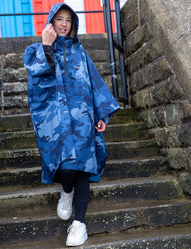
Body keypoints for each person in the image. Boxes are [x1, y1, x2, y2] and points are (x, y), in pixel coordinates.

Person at [23, 3, 120, 247]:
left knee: (84, 168)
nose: (64, 24)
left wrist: (100, 114)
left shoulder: (80, 51)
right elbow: (38, 80)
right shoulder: (34, 51)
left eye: (68, 19)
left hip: (83, 119)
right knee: (67, 168)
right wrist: (46, 46)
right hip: (55, 121)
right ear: (51, 22)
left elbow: (94, 82)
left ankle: (79, 224)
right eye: (59, 19)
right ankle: (67, 191)